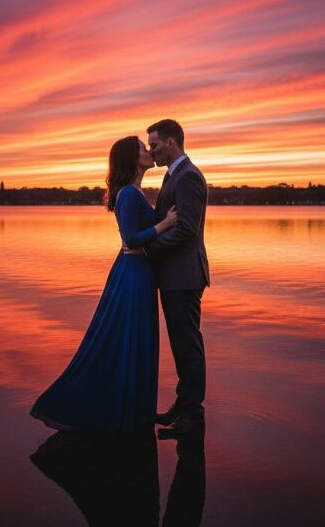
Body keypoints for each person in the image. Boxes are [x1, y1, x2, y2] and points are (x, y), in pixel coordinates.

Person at [30, 135, 177, 434]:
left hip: (138, 271)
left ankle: (132, 410)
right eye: (141, 148)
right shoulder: (128, 195)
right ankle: (116, 412)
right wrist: (165, 224)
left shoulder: (134, 193)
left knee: (134, 340)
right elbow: (131, 240)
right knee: (127, 339)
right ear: (130, 158)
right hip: (133, 274)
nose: (148, 151)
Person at [141, 119, 210, 438]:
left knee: (188, 345)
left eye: (154, 145)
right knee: (182, 346)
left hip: (184, 276)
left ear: (171, 142)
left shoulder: (188, 176)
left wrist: (149, 250)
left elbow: (187, 229)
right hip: (174, 276)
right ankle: (182, 409)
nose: (151, 151)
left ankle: (192, 418)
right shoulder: (174, 175)